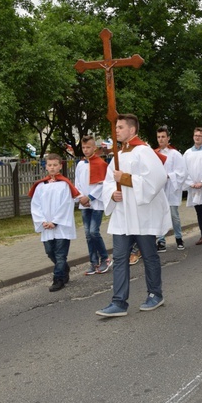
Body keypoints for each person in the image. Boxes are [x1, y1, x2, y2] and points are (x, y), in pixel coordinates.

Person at [96, 114, 171, 318]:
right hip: (122, 216)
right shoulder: (117, 155)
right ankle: (119, 302)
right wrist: (113, 193)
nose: (116, 130)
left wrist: (126, 179)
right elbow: (108, 181)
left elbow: (157, 178)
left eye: (120, 127)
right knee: (120, 259)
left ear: (132, 130)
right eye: (116, 127)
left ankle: (155, 294)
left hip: (141, 215)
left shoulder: (144, 151)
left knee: (148, 256)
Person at [29, 153, 80, 292]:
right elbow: (36, 204)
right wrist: (42, 221)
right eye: (49, 165)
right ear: (46, 166)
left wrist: (56, 221)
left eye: (55, 165)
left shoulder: (64, 184)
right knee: (50, 251)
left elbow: (66, 204)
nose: (52, 168)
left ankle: (58, 279)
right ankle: (64, 268)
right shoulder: (40, 186)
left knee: (60, 254)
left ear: (60, 166)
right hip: (46, 225)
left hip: (61, 226)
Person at [75, 136, 111, 276]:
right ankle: (93, 262)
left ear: (94, 148)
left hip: (96, 203)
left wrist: (90, 197)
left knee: (93, 232)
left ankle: (105, 258)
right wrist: (81, 197)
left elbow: (103, 185)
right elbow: (77, 183)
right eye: (83, 148)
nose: (85, 150)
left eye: (88, 147)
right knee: (87, 234)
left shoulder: (101, 164)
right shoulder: (80, 164)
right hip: (85, 203)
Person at [154, 125, 187, 252]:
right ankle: (161, 240)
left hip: (171, 189)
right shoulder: (154, 154)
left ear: (168, 138)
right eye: (158, 137)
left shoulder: (175, 154)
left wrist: (169, 176)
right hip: (159, 190)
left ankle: (179, 238)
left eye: (163, 137)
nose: (160, 139)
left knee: (174, 215)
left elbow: (182, 172)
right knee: (160, 215)